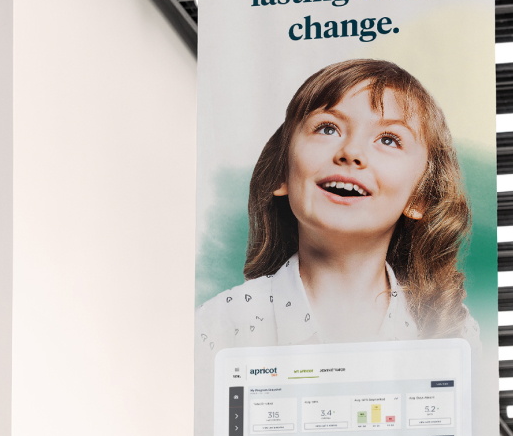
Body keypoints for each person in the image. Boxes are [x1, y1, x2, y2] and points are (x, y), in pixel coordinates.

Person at [196, 59, 480, 351]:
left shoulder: (452, 330)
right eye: (328, 129)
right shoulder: (220, 324)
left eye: (388, 139)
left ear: (419, 198)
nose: (351, 152)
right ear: (282, 172)